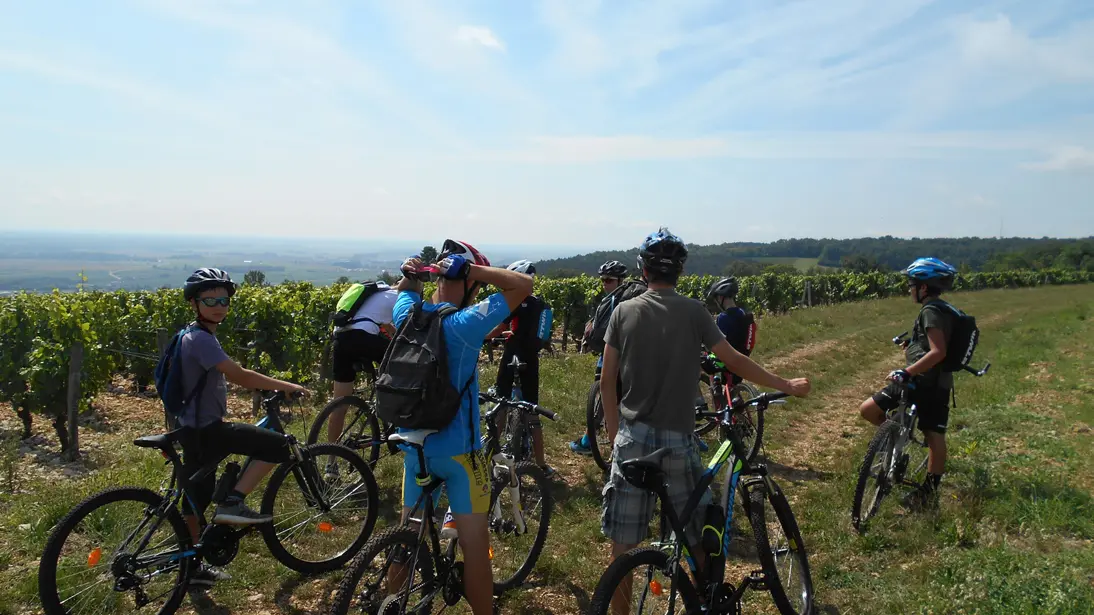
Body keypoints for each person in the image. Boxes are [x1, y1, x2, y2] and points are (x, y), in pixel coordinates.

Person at [598, 229, 810, 613]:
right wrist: (786, 384)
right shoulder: (695, 311)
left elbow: (606, 383)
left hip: (632, 440)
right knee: (695, 531)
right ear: (679, 272)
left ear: (643, 271)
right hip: (678, 440)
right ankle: (707, 599)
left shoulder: (622, 312)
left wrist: (615, 437)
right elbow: (733, 360)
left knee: (622, 547)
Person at [392, 240, 533, 615]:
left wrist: (413, 274)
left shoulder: (409, 314)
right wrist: (474, 272)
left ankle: (390, 602)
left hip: (414, 446)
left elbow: (405, 292)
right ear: (469, 284)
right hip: (459, 453)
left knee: (408, 537)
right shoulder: (464, 325)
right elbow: (522, 285)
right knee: (476, 548)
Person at [176, 268, 310, 587]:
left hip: (189, 428)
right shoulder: (201, 339)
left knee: (195, 497)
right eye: (210, 299)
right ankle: (234, 502)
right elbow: (240, 375)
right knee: (279, 444)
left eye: (224, 299)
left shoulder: (189, 334)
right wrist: (285, 384)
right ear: (194, 302)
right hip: (208, 429)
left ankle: (190, 567)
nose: (219, 306)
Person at [858, 257, 957, 510]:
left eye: (912, 284)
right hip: (939, 383)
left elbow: (938, 351)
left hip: (921, 382)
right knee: (934, 434)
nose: (909, 289)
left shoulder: (930, 311)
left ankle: (894, 449)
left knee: (869, 410)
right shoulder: (943, 309)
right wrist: (912, 345)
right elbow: (932, 346)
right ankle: (928, 488)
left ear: (924, 287)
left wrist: (907, 371)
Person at [488, 260, 553, 475]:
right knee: (532, 410)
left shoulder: (516, 302)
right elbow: (528, 331)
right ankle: (542, 465)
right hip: (531, 358)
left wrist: (481, 336)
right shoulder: (540, 304)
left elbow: (499, 327)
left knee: (500, 405)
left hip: (511, 355)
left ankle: (490, 458)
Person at [569, 260, 639, 455]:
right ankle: (594, 439)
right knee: (607, 398)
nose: (604, 284)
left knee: (609, 398)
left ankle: (595, 442)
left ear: (620, 280)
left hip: (615, 357)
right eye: (603, 280)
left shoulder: (622, 301)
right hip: (610, 354)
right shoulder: (610, 300)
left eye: (609, 280)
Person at [327, 281, 398, 446]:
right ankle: (392, 408)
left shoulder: (374, 293)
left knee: (340, 402)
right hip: (362, 337)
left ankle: (331, 459)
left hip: (341, 339)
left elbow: (389, 328)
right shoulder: (400, 296)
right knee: (401, 365)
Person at [706, 276, 758, 385]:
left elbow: (716, 341)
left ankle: (715, 389)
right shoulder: (744, 314)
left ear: (721, 297)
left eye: (716, 299)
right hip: (743, 359)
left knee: (704, 359)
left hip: (726, 362)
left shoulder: (722, 317)